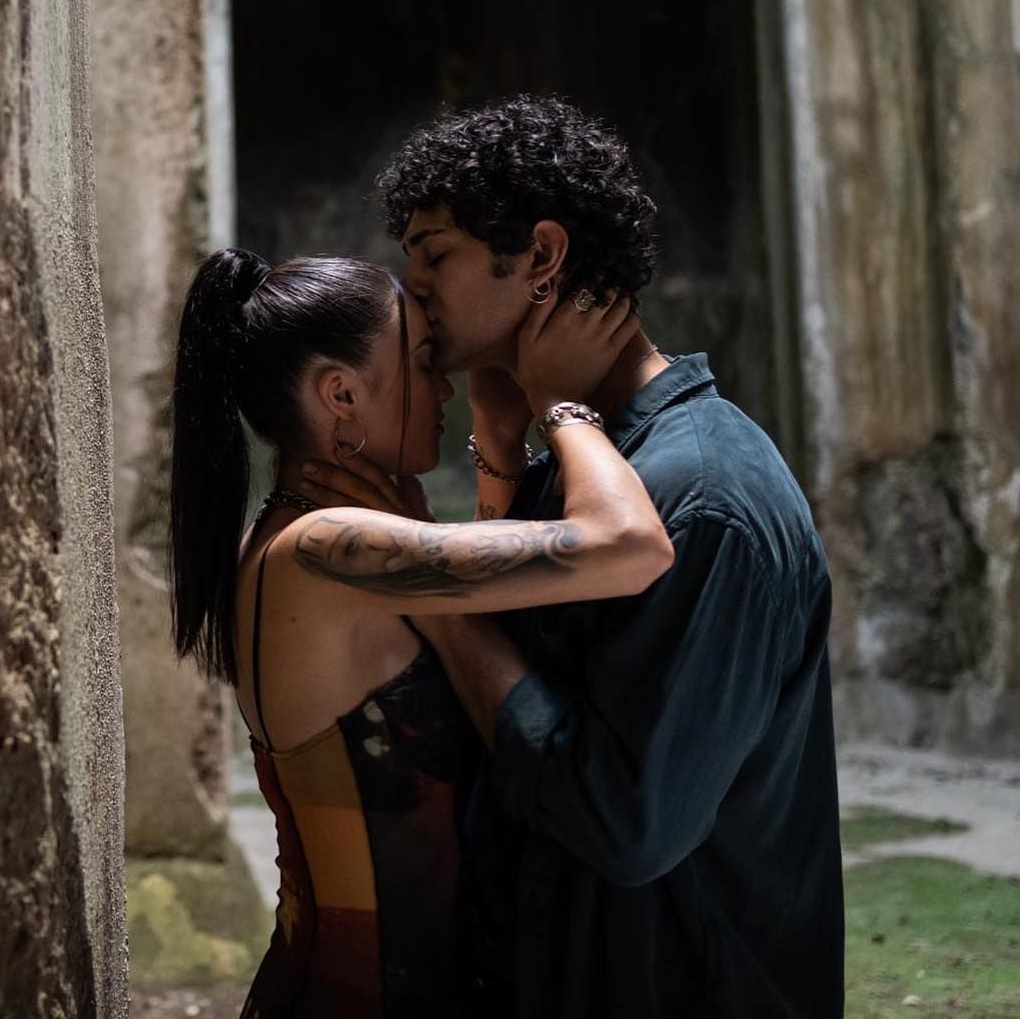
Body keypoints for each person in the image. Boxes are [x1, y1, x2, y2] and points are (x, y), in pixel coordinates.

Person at [364, 94, 846, 1018]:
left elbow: (629, 823)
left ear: (541, 258)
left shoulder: (703, 497)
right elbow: (495, 734)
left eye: (436, 254)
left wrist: (436, 593)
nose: (411, 283)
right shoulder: (580, 469)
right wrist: (504, 452)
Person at [168, 248, 675, 1019]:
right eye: (424, 361)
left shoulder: (308, 539)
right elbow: (631, 543)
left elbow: (480, 631)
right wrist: (562, 403)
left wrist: (500, 457)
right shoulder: (327, 549)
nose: (446, 387)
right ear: (340, 393)